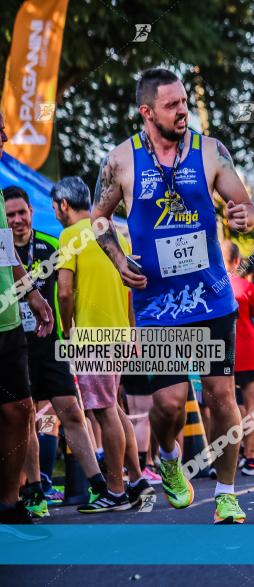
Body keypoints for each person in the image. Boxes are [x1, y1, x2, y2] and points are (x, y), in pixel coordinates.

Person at [91, 67, 254, 523]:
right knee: (167, 403)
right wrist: (118, 259)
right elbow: (98, 219)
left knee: (221, 396)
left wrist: (246, 216)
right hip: (158, 302)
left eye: (184, 102)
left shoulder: (210, 151)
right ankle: (168, 457)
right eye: (171, 105)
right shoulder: (120, 160)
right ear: (147, 112)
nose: (182, 111)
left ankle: (227, 492)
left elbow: (244, 204)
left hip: (211, 296)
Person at [5, 187, 125, 518]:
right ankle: (34, 491)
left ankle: (99, 485)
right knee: (26, 416)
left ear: (32, 211)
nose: (17, 220)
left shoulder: (52, 244)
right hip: (16, 343)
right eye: (9, 215)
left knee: (72, 411)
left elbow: (71, 288)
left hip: (52, 342)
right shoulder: (3, 252)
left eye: (21, 212)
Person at [52, 177, 148, 512]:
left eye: (55, 207)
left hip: (92, 335)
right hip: (120, 331)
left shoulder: (69, 236)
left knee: (104, 410)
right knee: (113, 407)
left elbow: (64, 291)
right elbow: (130, 286)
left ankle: (117, 491)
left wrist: (67, 330)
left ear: (64, 205)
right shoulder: (110, 231)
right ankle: (135, 478)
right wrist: (132, 331)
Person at [0, 113, 55, 524]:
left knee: (20, 409)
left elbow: (8, 254)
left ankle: (9, 501)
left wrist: (33, 294)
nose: (4, 135)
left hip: (6, 320)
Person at [222, 242, 254, 475]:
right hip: (248, 353)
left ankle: (223, 462)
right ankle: (251, 459)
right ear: (238, 260)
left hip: (219, 355)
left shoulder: (208, 288)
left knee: (222, 407)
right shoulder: (246, 287)